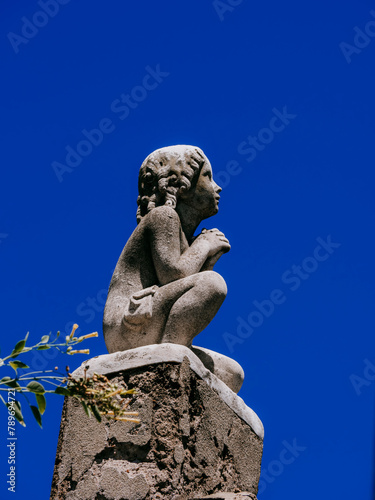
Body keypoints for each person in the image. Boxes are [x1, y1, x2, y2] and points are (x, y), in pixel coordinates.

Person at [103, 145, 243, 393]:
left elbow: (179, 284)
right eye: (208, 177)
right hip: (129, 322)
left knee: (233, 375)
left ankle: (176, 352)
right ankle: (168, 362)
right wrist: (203, 244)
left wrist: (206, 256)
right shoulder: (163, 217)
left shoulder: (180, 232)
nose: (217, 187)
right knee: (213, 283)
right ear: (182, 184)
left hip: (149, 319)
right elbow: (174, 275)